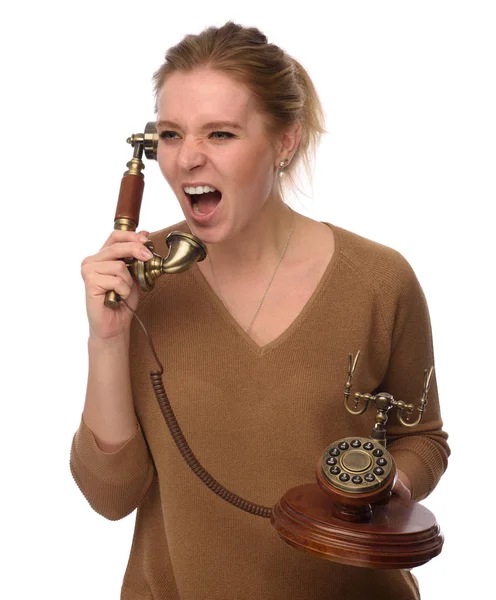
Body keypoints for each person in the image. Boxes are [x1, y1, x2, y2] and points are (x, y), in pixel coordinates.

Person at [70, 21, 449, 600]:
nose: (188, 159)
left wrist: (376, 486)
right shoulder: (143, 281)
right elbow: (110, 497)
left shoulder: (379, 280)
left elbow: (422, 439)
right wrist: (107, 339)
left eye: (220, 134)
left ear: (285, 142)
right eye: (171, 135)